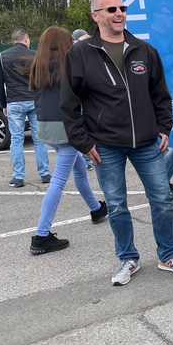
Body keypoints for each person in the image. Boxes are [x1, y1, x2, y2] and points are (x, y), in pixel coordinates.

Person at [60, 0, 173, 286]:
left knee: (160, 199)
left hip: (147, 143)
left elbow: (160, 93)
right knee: (117, 204)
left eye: (121, 7)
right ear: (96, 16)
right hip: (105, 146)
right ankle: (128, 258)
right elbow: (68, 104)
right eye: (111, 10)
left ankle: (168, 255)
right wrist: (83, 142)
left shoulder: (144, 50)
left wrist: (164, 127)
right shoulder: (80, 54)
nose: (119, 13)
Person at [28, 26, 107, 255]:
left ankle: (96, 209)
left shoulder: (38, 66)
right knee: (59, 181)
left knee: (79, 169)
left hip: (45, 128)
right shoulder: (68, 65)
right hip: (68, 128)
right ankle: (41, 235)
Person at [0, 28, 51, 188]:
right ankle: (45, 174)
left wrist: (3, 104)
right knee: (39, 139)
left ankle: (18, 177)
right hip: (34, 100)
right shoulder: (35, 55)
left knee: (17, 140)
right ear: (26, 40)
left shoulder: (2, 56)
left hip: (14, 102)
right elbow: (43, 79)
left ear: (13, 41)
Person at [72, 28, 94, 171]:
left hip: (83, 96)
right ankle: (87, 160)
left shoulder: (76, 50)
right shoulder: (92, 47)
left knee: (82, 126)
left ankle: (86, 159)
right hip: (87, 97)